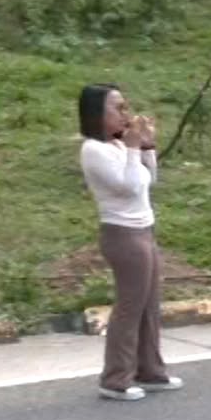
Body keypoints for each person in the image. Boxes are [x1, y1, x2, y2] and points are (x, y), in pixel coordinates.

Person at [78, 84, 179, 400]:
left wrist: (146, 147)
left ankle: (150, 370)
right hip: (122, 234)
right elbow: (129, 187)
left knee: (150, 305)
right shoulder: (93, 150)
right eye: (118, 108)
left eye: (125, 106)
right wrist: (134, 148)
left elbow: (149, 180)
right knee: (130, 307)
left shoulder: (120, 146)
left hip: (144, 229)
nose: (126, 114)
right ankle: (115, 378)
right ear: (97, 113)